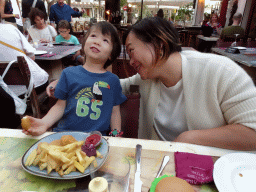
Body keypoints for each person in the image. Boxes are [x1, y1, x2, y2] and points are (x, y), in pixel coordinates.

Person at [47, 17, 256, 150]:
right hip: (158, 161)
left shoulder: (220, 71)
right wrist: (69, 80)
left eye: (131, 50)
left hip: (217, 168)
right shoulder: (148, 78)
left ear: (158, 44)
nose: (130, 61)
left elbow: (252, 133)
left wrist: (191, 138)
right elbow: (112, 84)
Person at [22, 21, 127, 137]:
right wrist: (44, 123)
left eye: (105, 40)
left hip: (97, 139)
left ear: (111, 54)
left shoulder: (113, 80)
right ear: (84, 43)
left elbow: (115, 111)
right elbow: (59, 106)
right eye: (93, 36)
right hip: (65, 135)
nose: (97, 42)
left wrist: (116, 134)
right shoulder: (68, 73)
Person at [0, 18, 49, 95]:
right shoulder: (10, 28)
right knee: (44, 78)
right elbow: (32, 56)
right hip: (31, 86)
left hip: (4, 91)